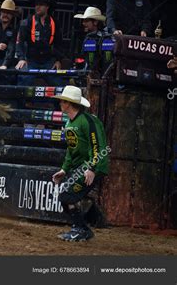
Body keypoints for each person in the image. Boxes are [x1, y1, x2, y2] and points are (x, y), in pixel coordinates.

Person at [51, 85, 109, 241]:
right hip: (81, 168)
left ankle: (80, 228)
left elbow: (97, 145)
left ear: (68, 103)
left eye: (62, 101)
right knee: (65, 195)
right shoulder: (69, 123)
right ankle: (82, 228)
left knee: (66, 196)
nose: (60, 103)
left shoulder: (88, 121)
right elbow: (71, 150)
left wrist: (92, 168)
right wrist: (64, 170)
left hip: (92, 166)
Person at [15, 0, 64, 87]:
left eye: (41, 4)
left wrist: (58, 60)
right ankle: (25, 102)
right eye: (36, 4)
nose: (37, 7)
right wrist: (21, 58)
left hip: (48, 61)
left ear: (47, 7)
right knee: (23, 81)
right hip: (31, 60)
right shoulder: (27, 21)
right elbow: (19, 42)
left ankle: (59, 102)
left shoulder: (54, 23)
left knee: (59, 84)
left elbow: (59, 43)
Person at [73, 7, 113, 74]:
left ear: (95, 22)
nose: (83, 23)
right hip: (87, 75)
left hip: (101, 76)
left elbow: (107, 61)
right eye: (83, 21)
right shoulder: (87, 37)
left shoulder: (107, 39)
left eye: (86, 21)